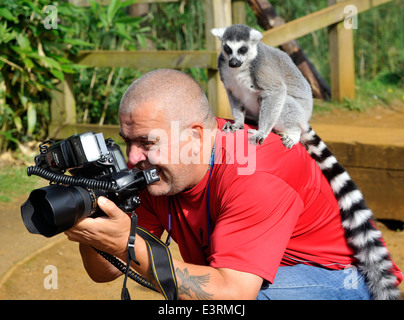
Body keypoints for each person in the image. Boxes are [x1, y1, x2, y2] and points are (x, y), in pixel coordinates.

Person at [65, 69, 373, 300]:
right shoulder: (159, 172)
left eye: (146, 142)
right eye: (128, 141)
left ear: (196, 136)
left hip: (337, 278)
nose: (132, 158)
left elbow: (234, 294)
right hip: (247, 276)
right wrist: (92, 215)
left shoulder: (254, 171)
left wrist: (127, 244)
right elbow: (105, 270)